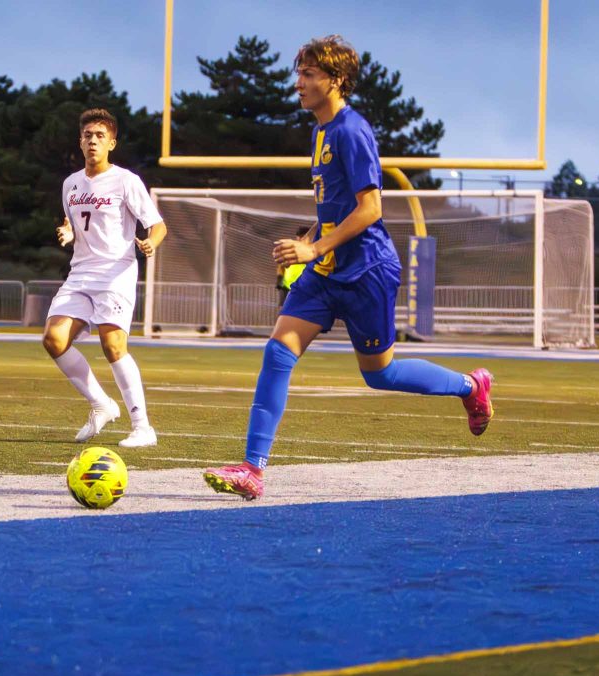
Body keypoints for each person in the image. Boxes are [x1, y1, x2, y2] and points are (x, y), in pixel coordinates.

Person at [203, 36, 494, 499]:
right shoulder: (319, 131)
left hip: (368, 273)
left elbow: (371, 209)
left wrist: (314, 250)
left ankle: (469, 386)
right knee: (278, 352)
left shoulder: (350, 131)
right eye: (299, 73)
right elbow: (336, 206)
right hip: (327, 272)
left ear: (336, 80)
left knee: (381, 374)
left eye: (309, 74)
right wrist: (310, 240)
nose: (298, 82)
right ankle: (252, 469)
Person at [43, 108, 167, 448]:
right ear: (80, 142)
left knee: (112, 345)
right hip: (80, 273)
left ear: (112, 143)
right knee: (54, 339)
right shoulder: (70, 183)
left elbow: (157, 225)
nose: (93, 141)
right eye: (87, 136)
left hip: (116, 273)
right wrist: (68, 233)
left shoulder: (126, 181)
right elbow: (75, 221)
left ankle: (143, 427)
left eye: (100, 136)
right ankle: (102, 405)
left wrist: (150, 243)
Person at [276, 225, 312, 306]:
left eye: (302, 237)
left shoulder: (311, 250)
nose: (299, 239)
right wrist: (279, 280)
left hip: (304, 287)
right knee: (283, 310)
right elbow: (281, 265)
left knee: (301, 310)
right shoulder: (291, 248)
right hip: (286, 287)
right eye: (298, 237)